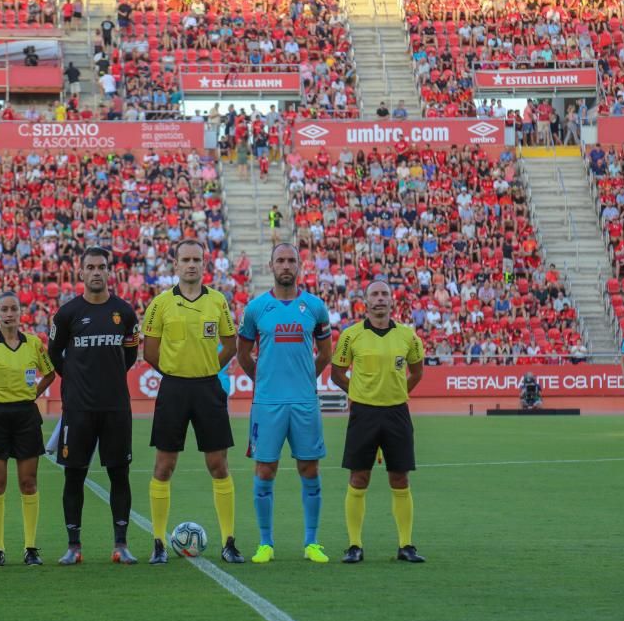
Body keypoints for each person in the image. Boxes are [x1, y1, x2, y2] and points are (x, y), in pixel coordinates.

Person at [143, 239, 244, 565]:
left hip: (207, 388)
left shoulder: (217, 301)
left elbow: (231, 343)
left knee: (218, 465)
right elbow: (150, 351)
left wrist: (209, 368)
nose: (191, 264)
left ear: (204, 264)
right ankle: (158, 542)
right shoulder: (160, 304)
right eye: (185, 259)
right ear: (175, 264)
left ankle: (229, 541)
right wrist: (174, 372)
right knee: (164, 465)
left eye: (196, 260)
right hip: (173, 389)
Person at [236, 244, 333, 564]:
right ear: (271, 266)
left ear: (299, 266)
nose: (286, 266)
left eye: (292, 260)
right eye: (281, 261)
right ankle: (266, 543)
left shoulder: (315, 307)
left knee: (309, 468)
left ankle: (312, 542)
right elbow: (243, 354)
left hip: (304, 402)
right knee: (265, 470)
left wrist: (305, 379)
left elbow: (326, 354)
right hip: (267, 403)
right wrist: (263, 380)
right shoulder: (256, 308)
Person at [48, 247, 140, 564]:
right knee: (74, 476)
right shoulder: (67, 314)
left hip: (116, 407)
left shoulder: (125, 313)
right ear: (82, 272)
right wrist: (73, 379)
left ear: (109, 270)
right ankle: (74, 547)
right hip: (78, 409)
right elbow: (53, 354)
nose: (97, 272)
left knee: (119, 474)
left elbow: (129, 356)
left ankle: (121, 544)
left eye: (102, 266)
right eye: (91, 267)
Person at [331, 280, 426, 564]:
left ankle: (406, 545)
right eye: (375, 294)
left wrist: (399, 393)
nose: (380, 298)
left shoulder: (408, 336)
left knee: (400, 477)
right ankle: (354, 545)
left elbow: (417, 372)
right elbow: (337, 373)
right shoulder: (351, 335)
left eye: (385, 293)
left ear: (392, 300)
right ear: (366, 301)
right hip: (364, 414)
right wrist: (358, 394)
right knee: (359, 477)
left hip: (397, 412)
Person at [0, 291, 56, 567]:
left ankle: (30, 547)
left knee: (28, 483)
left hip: (26, 416)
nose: (8, 313)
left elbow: (50, 372)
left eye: (13, 308)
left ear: (20, 312)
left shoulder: (34, 345)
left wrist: (35, 394)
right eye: (3, 309)